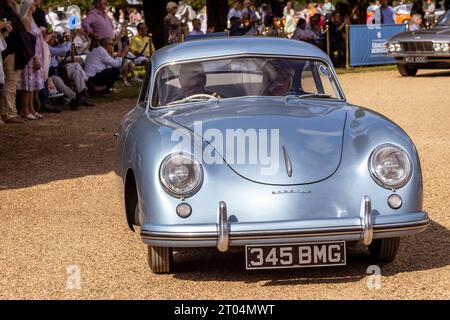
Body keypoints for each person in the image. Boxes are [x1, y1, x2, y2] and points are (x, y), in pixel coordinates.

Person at [0, 0, 28, 124]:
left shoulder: (8, 8)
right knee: (10, 82)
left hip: (11, 49)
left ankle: (11, 111)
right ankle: (8, 113)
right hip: (9, 50)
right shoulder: (4, 9)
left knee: (12, 83)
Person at [17, 0, 46, 120]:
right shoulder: (25, 19)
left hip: (37, 53)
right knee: (28, 84)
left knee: (33, 84)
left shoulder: (32, 18)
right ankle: (25, 109)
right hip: (30, 55)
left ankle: (32, 109)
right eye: (33, 4)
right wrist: (34, 58)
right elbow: (28, 40)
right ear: (29, 6)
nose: (35, 6)